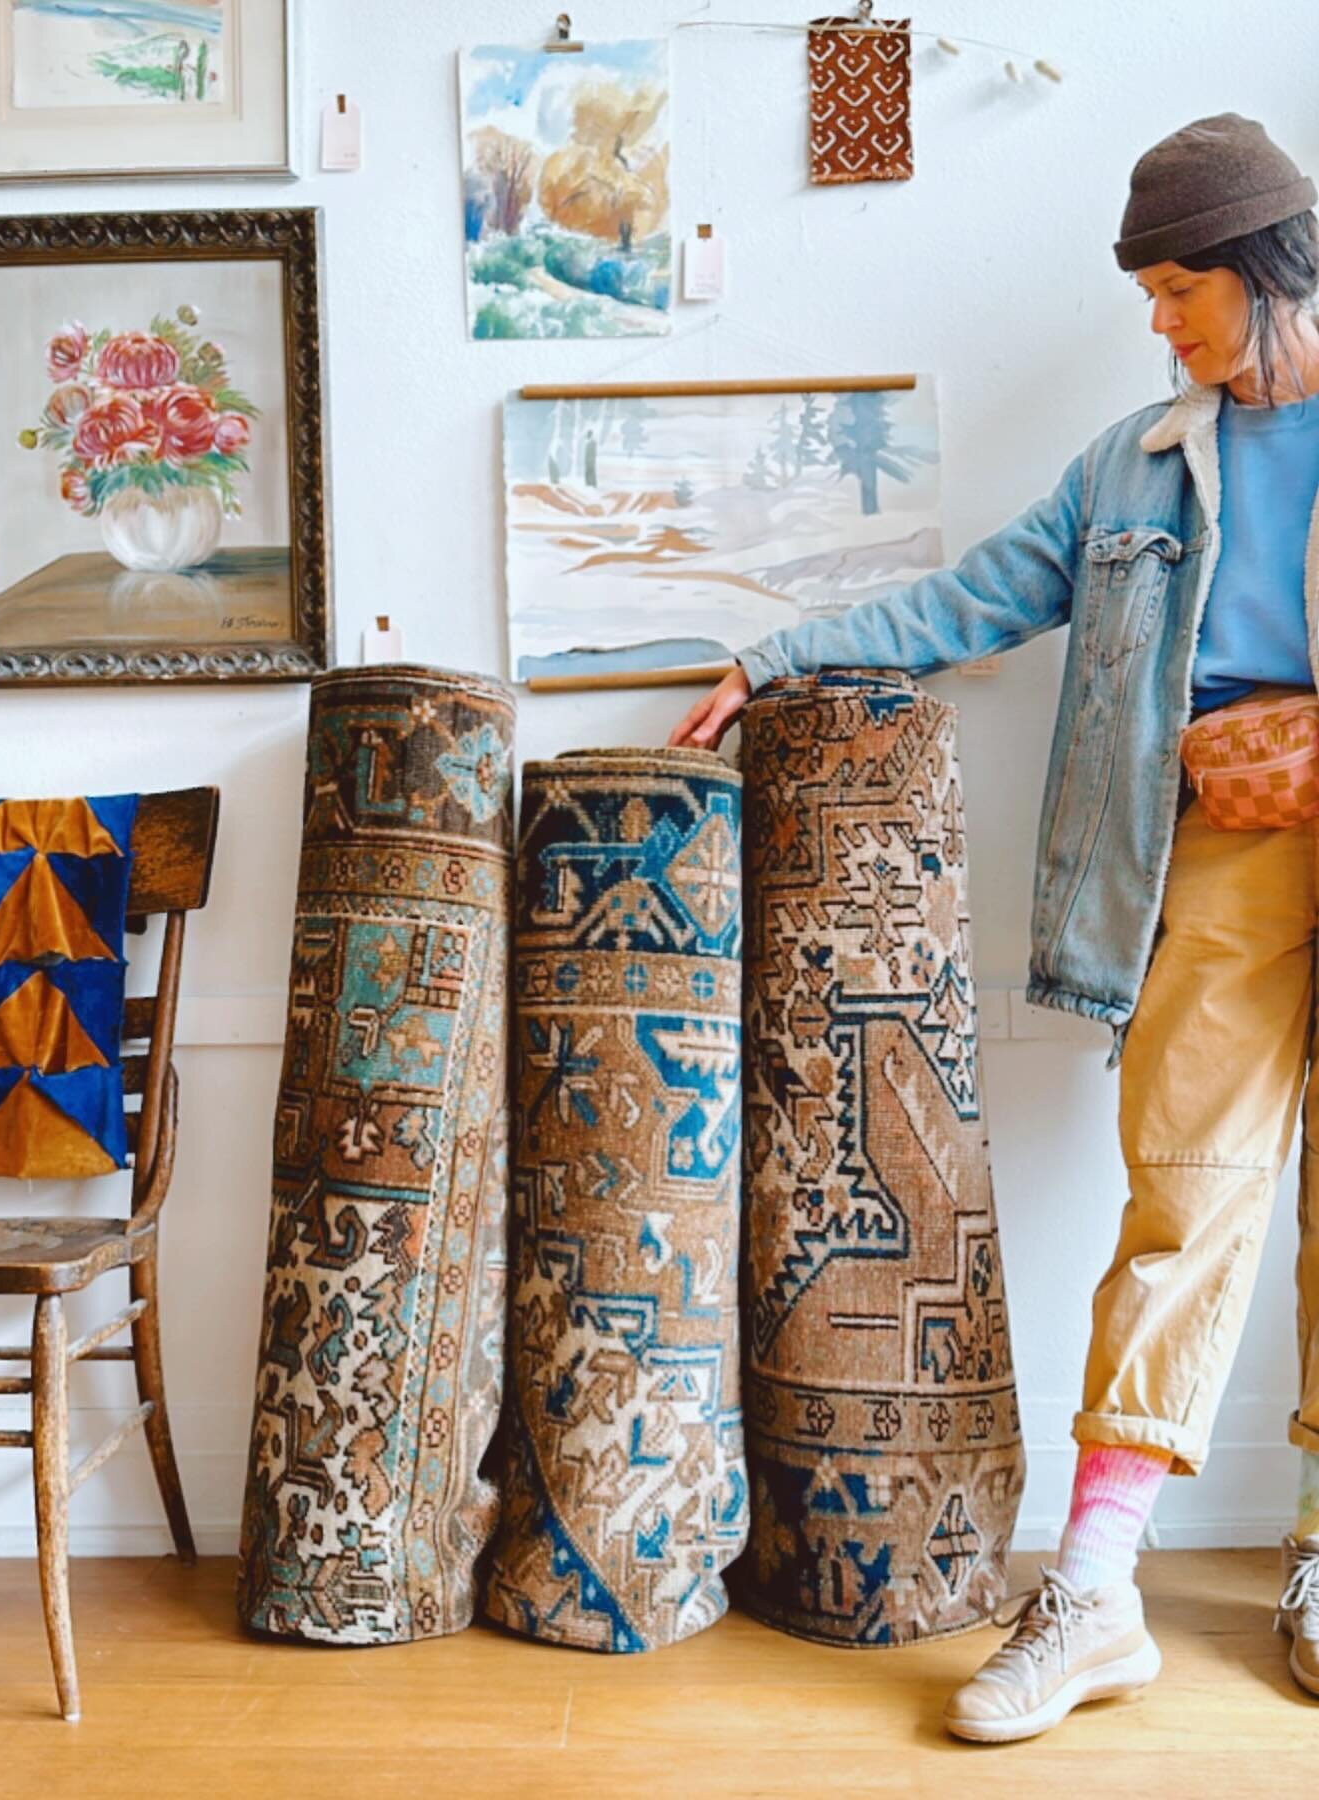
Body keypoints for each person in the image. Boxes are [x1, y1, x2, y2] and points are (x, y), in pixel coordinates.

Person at [671, 113, 1319, 1742]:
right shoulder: (1135, 464)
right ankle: (1098, 1590)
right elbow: (975, 596)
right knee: (1188, 1191)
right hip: (1225, 856)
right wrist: (778, 656)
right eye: (1151, 295)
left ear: (1262, 275)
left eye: (1180, 288)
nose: (1157, 322)